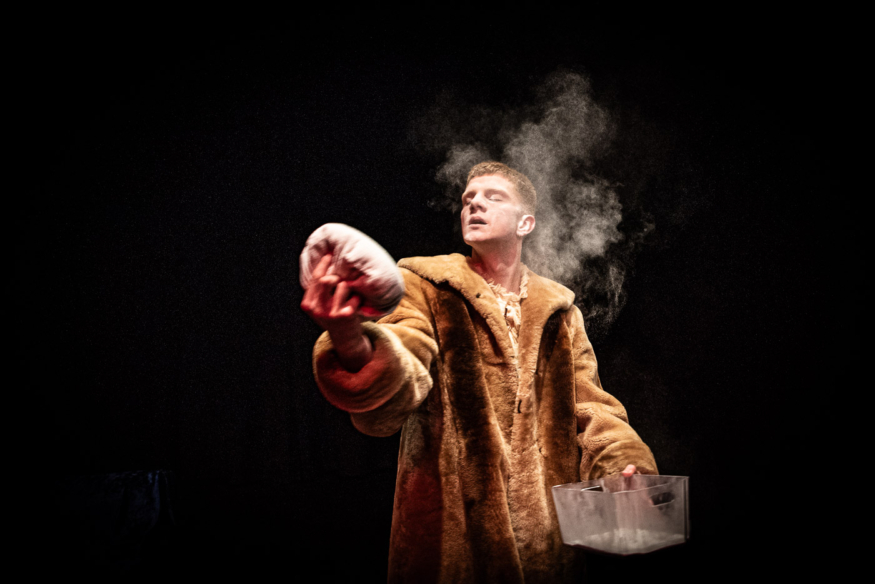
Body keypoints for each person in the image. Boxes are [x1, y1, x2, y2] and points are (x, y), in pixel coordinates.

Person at [301, 162, 657, 583]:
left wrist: (626, 469)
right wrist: (349, 338)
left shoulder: (561, 313)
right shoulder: (425, 285)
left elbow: (595, 410)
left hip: (545, 546)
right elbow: (405, 367)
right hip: (449, 540)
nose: (474, 204)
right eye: (468, 199)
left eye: (493, 197)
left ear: (525, 223)